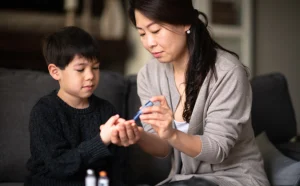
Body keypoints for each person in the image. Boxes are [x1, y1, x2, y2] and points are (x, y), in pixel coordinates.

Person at [110, 0, 270, 186]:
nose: (149, 43)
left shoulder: (228, 72)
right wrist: (138, 135)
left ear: (185, 22)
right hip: (183, 180)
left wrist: (171, 133)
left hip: (234, 178)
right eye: (142, 34)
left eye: (155, 31)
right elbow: (163, 149)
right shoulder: (149, 75)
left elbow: (217, 150)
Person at [25, 26, 132, 186]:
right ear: (55, 72)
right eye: (80, 69)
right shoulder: (44, 111)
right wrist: (101, 141)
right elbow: (59, 165)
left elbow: (117, 167)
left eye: (95, 67)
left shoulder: (106, 110)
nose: (90, 76)